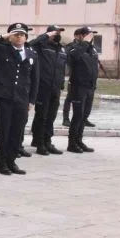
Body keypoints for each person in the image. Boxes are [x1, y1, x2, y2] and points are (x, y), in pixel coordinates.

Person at [0, 23, 38, 176]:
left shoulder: (32, 54)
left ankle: (12, 161)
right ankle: (2, 164)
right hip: (4, 97)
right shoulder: (2, 50)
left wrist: (31, 100)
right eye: (16, 34)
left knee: (17, 131)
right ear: (11, 36)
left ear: (26, 37)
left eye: (22, 34)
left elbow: (34, 79)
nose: (19, 37)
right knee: (3, 131)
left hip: (22, 98)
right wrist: (2, 37)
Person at [30, 25, 67, 155]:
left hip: (55, 88)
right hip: (43, 88)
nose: (57, 34)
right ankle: (40, 144)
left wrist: (61, 85)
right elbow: (30, 44)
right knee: (42, 116)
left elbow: (62, 69)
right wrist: (45, 36)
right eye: (54, 32)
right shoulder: (41, 46)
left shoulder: (61, 49)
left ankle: (47, 141)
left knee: (51, 117)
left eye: (58, 32)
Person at [66, 26, 100, 153]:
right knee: (77, 116)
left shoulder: (92, 49)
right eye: (86, 34)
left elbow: (93, 67)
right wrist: (84, 44)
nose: (89, 37)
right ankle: (72, 143)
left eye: (90, 34)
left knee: (84, 116)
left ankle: (79, 140)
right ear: (79, 36)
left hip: (90, 87)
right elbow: (72, 57)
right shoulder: (74, 47)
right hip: (78, 87)